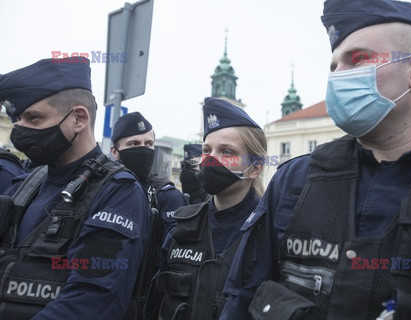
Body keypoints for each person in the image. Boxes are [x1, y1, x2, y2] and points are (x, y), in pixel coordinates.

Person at [221, 1, 411, 319]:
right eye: (334, 67)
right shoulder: (296, 180)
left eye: (357, 59)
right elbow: (241, 300)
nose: (339, 77)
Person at [0, 57, 150, 319]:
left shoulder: (118, 192)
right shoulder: (25, 185)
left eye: (34, 119)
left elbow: (93, 301)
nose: (20, 131)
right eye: (19, 120)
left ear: (79, 118)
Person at [145, 97, 267, 320]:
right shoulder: (182, 228)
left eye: (226, 152)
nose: (210, 160)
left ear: (255, 168)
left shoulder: (269, 230)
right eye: (206, 150)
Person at [111, 111, 187, 243]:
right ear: (115, 152)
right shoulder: (104, 190)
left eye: (148, 144)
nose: (143, 150)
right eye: (134, 144)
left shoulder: (167, 196)